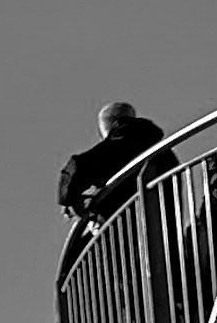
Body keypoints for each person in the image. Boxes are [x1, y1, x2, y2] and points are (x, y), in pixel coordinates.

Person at [56, 100, 168, 246]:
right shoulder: (163, 151)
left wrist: (69, 198)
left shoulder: (124, 140)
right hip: (161, 231)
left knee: (79, 250)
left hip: (128, 234)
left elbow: (80, 165)